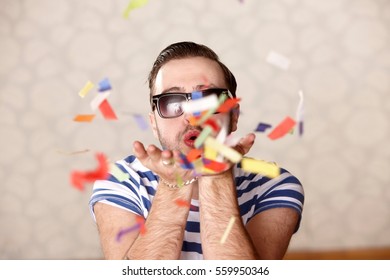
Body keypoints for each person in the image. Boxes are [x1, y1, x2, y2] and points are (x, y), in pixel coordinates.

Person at [89, 41, 304, 260]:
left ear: (234, 116)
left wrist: (216, 176)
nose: (192, 117)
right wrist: (173, 186)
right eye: (172, 102)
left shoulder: (274, 185)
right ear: (154, 124)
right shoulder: (120, 180)